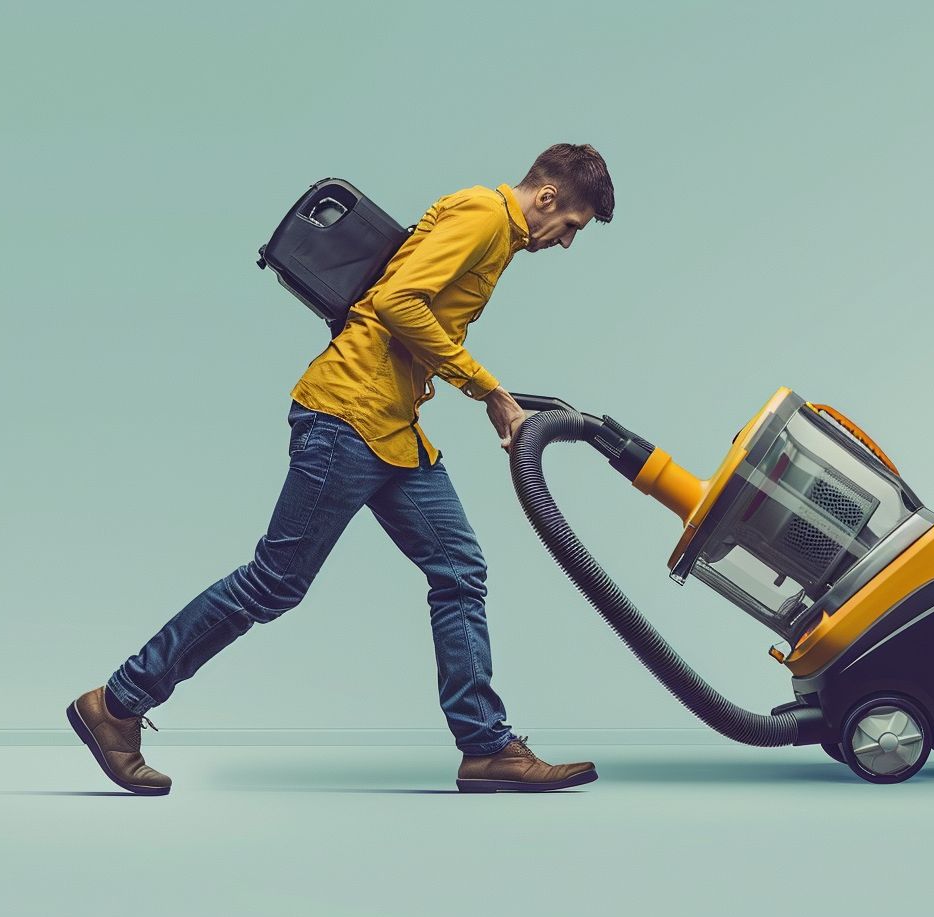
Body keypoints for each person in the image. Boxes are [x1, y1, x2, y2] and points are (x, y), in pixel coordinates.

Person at [66, 143, 615, 795]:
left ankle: (486, 746)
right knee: (274, 583)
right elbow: (399, 303)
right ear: (548, 198)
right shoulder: (485, 218)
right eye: (572, 226)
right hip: (347, 417)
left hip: (394, 432)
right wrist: (488, 389)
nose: (566, 242)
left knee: (459, 569)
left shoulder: (490, 228)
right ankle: (118, 703)